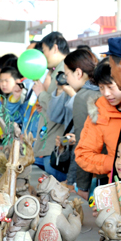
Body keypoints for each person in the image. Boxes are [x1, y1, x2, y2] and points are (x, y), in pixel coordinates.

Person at [75, 58, 121, 199]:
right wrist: (115, 163)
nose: (106, 93)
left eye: (110, 86)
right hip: (118, 188)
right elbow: (83, 154)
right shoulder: (100, 110)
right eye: (101, 87)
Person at [50, 49, 100, 187]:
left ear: (78, 73)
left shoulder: (82, 97)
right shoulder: (100, 91)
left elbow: (82, 147)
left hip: (91, 174)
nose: (66, 80)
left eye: (67, 75)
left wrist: (76, 183)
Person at [32, 32, 70, 173]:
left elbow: (58, 109)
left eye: (44, 51)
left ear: (54, 48)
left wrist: (41, 94)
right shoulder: (57, 70)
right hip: (54, 140)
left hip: (58, 140)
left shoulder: (63, 72)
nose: (43, 56)